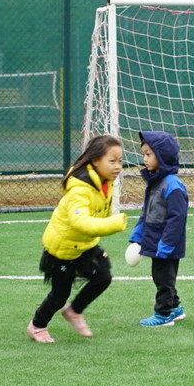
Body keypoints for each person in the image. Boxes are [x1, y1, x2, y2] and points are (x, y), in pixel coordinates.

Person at [28, 135, 129, 343]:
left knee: (103, 276)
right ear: (95, 161)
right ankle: (37, 326)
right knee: (59, 295)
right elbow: (80, 222)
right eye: (112, 161)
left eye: (120, 161)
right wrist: (113, 224)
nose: (117, 166)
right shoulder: (80, 188)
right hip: (62, 248)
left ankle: (74, 311)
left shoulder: (105, 181)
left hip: (84, 244)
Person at [130, 130, 189, 327]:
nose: (144, 159)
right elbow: (147, 212)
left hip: (166, 244)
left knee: (163, 279)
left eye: (149, 154)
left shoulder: (172, 185)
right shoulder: (155, 182)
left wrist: (166, 244)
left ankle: (163, 314)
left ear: (162, 156)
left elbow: (176, 219)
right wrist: (138, 234)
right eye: (144, 154)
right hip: (155, 240)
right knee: (162, 277)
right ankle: (175, 307)